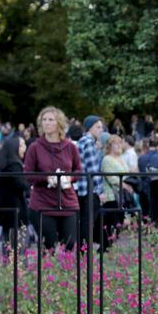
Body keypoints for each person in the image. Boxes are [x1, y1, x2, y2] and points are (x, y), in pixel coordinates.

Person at [24, 106, 82, 250]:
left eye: (51, 119)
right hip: (42, 203)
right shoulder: (35, 147)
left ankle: (67, 272)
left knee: (69, 244)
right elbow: (27, 174)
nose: (47, 123)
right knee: (49, 247)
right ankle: (47, 272)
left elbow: (78, 171)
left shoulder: (70, 147)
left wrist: (69, 179)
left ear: (59, 123)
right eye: (44, 120)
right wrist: (46, 178)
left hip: (67, 202)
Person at [74, 116, 104, 248]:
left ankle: (83, 251)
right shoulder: (89, 142)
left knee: (83, 222)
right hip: (89, 189)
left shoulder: (82, 141)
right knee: (88, 223)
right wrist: (100, 191)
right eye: (98, 127)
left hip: (81, 188)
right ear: (90, 127)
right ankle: (85, 252)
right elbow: (93, 170)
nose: (101, 130)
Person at [0, 132, 28, 248]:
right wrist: (30, 186)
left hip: (4, 207)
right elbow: (20, 184)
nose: (25, 148)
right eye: (22, 145)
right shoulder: (14, 165)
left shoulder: (2, 164)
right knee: (18, 241)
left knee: (6, 238)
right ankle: (17, 263)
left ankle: (6, 262)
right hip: (16, 207)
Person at [101, 134, 132, 244]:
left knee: (120, 224)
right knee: (113, 224)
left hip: (122, 195)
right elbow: (111, 177)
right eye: (115, 143)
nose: (119, 145)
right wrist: (124, 185)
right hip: (111, 196)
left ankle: (111, 248)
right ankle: (106, 248)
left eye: (120, 143)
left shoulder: (121, 158)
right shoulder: (107, 159)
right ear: (109, 146)